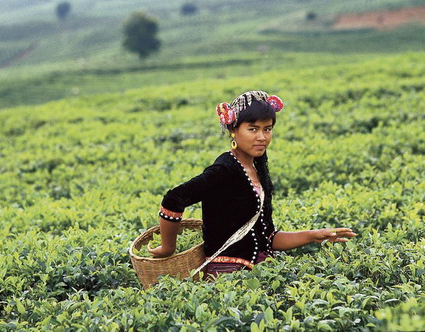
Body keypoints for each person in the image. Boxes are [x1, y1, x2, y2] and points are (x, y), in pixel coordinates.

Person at [149, 90, 357, 278]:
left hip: (261, 272)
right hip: (227, 276)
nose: (262, 137)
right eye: (252, 129)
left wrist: (314, 235)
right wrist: (168, 248)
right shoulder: (223, 170)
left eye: (267, 129)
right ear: (233, 130)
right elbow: (173, 199)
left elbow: (268, 238)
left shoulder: (258, 170)